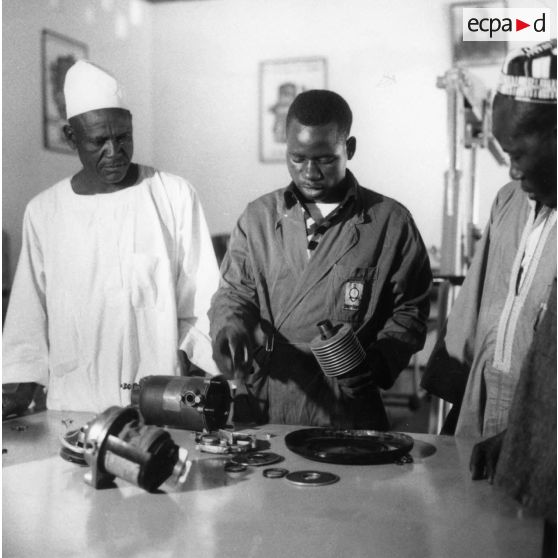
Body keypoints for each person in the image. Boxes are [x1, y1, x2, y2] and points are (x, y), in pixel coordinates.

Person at [2, 60, 220, 415]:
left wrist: (209, 375)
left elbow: (201, 306)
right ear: (72, 138)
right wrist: (15, 390)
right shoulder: (44, 213)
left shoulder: (173, 195)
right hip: (74, 408)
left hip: (158, 407)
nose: (114, 152)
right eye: (99, 141)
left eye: (123, 138)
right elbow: (28, 319)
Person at [209, 89, 432, 428]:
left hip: (347, 403)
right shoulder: (259, 218)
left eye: (325, 159)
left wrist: (379, 361)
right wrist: (230, 327)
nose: (310, 172)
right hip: (270, 398)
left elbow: (410, 310)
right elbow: (234, 293)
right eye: (297, 158)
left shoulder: (388, 221)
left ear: (350, 149)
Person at [421, 40, 556, 437]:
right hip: (480, 410)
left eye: (518, 154)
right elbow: (473, 312)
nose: (512, 172)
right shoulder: (508, 202)